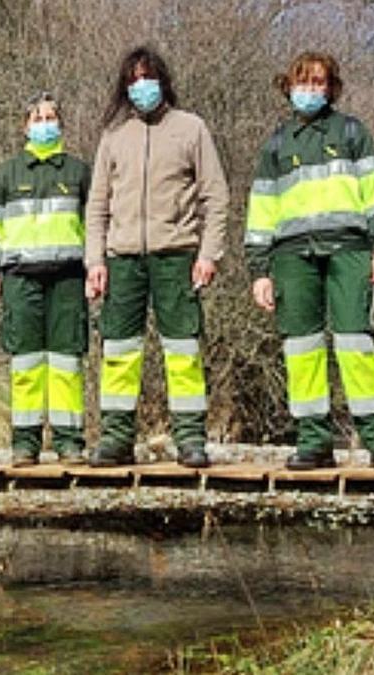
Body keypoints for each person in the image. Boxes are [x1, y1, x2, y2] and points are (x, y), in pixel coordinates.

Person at [245, 52, 374, 470]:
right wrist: (259, 271)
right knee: (301, 348)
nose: (311, 91)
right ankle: (313, 442)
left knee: (355, 342)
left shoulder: (352, 131)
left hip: (350, 249)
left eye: (319, 83)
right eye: (303, 83)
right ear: (289, 87)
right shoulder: (276, 144)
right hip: (292, 256)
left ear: (331, 88)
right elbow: (260, 212)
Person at [84, 47, 229, 469]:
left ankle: (190, 440)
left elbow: (215, 196)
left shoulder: (191, 128)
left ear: (162, 80)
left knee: (183, 351)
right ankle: (115, 439)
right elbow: (96, 206)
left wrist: (209, 253)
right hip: (122, 259)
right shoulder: (113, 136)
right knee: (119, 351)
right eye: (132, 80)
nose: (140, 86)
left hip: (177, 256)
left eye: (147, 77)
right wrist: (95, 260)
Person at [0, 92, 92, 466]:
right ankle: (25, 442)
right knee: (25, 364)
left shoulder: (78, 172)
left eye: (51, 117)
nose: (45, 124)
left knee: (67, 363)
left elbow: (97, 226)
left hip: (69, 278)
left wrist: (97, 269)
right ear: (25, 126)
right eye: (37, 118)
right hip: (20, 280)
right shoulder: (6, 174)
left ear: (61, 124)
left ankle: (69, 440)